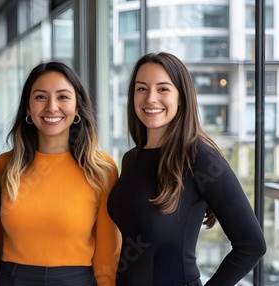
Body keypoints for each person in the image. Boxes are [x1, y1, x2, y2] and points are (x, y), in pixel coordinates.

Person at [107, 52, 267, 286]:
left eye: (163, 89)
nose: (150, 98)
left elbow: (252, 245)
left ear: (181, 97)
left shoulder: (199, 157)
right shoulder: (131, 159)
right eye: (142, 89)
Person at [0, 62, 121, 286]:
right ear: (28, 108)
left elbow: (108, 253)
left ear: (78, 107)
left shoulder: (102, 169)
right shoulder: (4, 165)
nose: (52, 107)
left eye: (63, 97)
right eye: (41, 97)